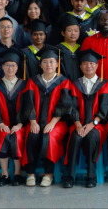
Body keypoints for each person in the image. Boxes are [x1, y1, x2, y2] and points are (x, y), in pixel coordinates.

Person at [61, 49, 108, 189]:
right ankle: (69, 176)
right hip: (78, 123)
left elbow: (106, 109)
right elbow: (71, 106)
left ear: (97, 66)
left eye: (91, 63)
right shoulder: (75, 84)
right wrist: (78, 124)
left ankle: (91, 176)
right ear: (80, 66)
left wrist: (93, 123)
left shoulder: (105, 84)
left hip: (98, 124)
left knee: (91, 137)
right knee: (75, 137)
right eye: (85, 63)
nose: (88, 66)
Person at [19, 47, 69, 187]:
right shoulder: (33, 81)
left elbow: (65, 104)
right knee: (32, 135)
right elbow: (28, 102)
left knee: (49, 136)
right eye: (45, 62)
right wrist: (33, 122)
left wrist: (52, 122)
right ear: (40, 65)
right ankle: (30, 174)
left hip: (56, 122)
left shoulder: (64, 82)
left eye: (52, 61)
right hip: (35, 120)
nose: (49, 65)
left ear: (57, 63)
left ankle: (48, 174)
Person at [0, 50, 28, 187]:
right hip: (1, 125)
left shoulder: (25, 85)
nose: (10, 68)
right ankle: (5, 174)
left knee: (17, 137)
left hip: (20, 126)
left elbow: (29, 106)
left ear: (17, 67)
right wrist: (0, 124)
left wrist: (20, 124)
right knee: (3, 136)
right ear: (2, 67)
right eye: (7, 65)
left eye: (13, 65)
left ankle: (17, 174)